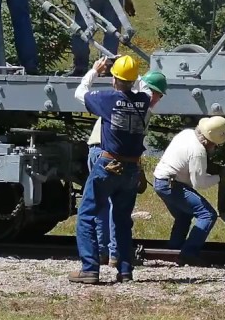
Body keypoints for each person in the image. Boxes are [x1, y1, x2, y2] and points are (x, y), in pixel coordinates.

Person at [70, 55, 150, 284]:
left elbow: (80, 92)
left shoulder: (107, 99)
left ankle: (90, 269)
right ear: (133, 80)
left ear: (114, 78)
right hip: (131, 168)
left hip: (108, 165)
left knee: (86, 214)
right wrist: (134, 71)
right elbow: (143, 87)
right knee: (122, 220)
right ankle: (125, 271)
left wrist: (95, 70)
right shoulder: (144, 101)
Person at [87, 69, 166, 268]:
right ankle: (110, 255)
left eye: (159, 94)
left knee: (106, 207)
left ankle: (107, 254)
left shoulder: (133, 103)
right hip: (104, 152)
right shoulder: (137, 103)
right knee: (109, 208)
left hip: (109, 154)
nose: (156, 97)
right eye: (154, 92)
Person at [152, 116, 225, 264]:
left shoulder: (187, 133)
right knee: (208, 214)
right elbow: (199, 183)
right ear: (210, 142)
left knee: (183, 215)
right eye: (215, 145)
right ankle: (189, 253)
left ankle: (173, 250)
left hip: (161, 181)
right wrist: (219, 177)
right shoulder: (198, 151)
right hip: (172, 185)